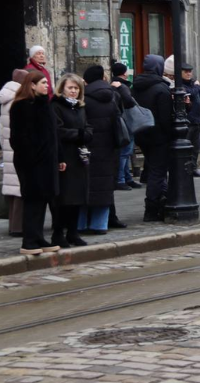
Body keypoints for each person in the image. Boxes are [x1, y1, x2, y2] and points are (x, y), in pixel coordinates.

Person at [9, 71, 61, 256]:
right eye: (43, 82)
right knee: (32, 201)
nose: (47, 85)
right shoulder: (21, 106)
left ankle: (38, 237)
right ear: (32, 85)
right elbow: (19, 138)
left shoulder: (43, 104)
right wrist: (32, 158)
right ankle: (29, 240)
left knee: (43, 200)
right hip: (31, 164)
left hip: (47, 162)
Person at [81, 66, 128, 234]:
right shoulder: (113, 95)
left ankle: (84, 223)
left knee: (87, 184)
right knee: (106, 183)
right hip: (109, 146)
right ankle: (103, 222)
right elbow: (119, 115)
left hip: (87, 145)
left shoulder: (83, 98)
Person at [52, 74, 93, 248]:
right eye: (70, 88)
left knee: (78, 196)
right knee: (64, 198)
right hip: (64, 156)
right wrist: (79, 134)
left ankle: (73, 232)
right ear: (62, 88)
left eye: (76, 88)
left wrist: (86, 134)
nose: (74, 91)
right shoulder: (56, 106)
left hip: (79, 156)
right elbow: (58, 130)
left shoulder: (80, 107)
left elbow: (88, 126)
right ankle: (58, 232)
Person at [132, 55, 173, 222]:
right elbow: (165, 119)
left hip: (141, 134)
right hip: (158, 137)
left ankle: (160, 199)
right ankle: (152, 209)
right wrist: (170, 134)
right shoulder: (161, 89)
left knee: (154, 169)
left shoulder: (136, 86)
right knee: (157, 172)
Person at [0, 69, 28, 237]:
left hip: (9, 147)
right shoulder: (18, 100)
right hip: (18, 148)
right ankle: (18, 227)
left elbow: (1, 129)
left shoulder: (5, 98)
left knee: (12, 188)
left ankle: (13, 224)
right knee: (20, 189)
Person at [111, 62, 141, 191]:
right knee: (125, 152)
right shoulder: (121, 86)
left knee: (127, 151)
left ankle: (127, 178)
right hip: (125, 121)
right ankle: (121, 179)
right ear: (124, 73)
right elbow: (129, 102)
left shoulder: (114, 85)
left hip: (123, 120)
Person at [182, 63, 200, 178]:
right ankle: (185, 169)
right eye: (186, 71)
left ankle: (193, 168)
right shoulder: (182, 85)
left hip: (197, 120)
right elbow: (191, 94)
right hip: (187, 121)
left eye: (190, 71)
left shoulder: (194, 84)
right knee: (186, 147)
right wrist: (197, 87)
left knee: (195, 147)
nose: (189, 73)